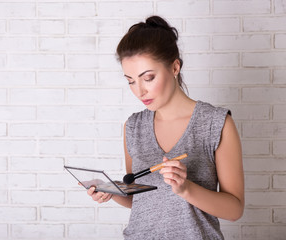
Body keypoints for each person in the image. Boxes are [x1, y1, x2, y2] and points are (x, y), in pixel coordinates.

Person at [86, 15, 244, 239]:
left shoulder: (215, 123)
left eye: (148, 77)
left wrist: (185, 188)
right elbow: (141, 199)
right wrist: (112, 193)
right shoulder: (133, 127)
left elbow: (235, 209)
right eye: (130, 81)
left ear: (175, 67)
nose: (139, 91)